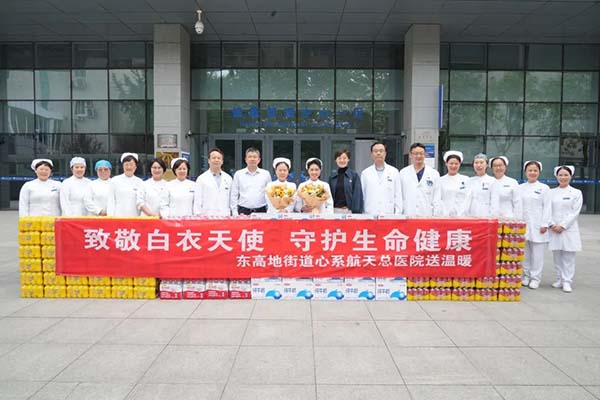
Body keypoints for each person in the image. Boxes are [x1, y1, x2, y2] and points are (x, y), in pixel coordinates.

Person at [544, 165, 582, 293]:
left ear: (571, 176)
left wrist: (563, 225)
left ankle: (567, 281)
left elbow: (575, 212)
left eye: (566, 175)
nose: (563, 177)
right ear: (556, 176)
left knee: (568, 256)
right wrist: (552, 224)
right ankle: (559, 279)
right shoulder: (551, 192)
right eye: (560, 175)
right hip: (554, 228)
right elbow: (547, 210)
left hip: (568, 229)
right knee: (557, 256)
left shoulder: (576, 193)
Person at [519, 160, 550, 289]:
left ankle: (535, 278)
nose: (532, 173)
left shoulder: (544, 188)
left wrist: (545, 224)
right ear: (525, 172)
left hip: (538, 225)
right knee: (525, 253)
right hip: (524, 224)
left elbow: (547, 207)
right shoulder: (520, 188)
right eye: (530, 170)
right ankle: (526, 276)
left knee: (537, 255)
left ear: (539, 172)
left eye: (535, 170)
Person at [399, 142, 442, 217]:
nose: (418, 156)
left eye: (421, 153)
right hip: (408, 214)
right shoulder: (403, 173)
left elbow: (437, 198)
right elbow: (399, 196)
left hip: (427, 215)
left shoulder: (434, 173)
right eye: (415, 153)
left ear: (425, 154)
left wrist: (436, 215)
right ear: (410, 155)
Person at [360, 142, 402, 215]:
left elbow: (398, 195)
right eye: (375, 151)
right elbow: (362, 196)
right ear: (372, 154)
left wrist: (398, 214)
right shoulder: (365, 173)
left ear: (385, 153)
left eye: (381, 151)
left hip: (388, 215)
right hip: (370, 214)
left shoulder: (394, 172)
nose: (378, 153)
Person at [230, 147, 271, 215]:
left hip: (261, 210)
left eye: (255, 157)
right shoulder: (238, 174)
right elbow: (234, 194)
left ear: (259, 160)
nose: (252, 159)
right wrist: (234, 212)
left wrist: (269, 210)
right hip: (243, 211)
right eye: (250, 157)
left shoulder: (266, 174)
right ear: (246, 159)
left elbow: (269, 194)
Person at [194, 148, 233, 216]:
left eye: (219, 158)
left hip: (224, 216)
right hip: (207, 216)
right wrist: (198, 215)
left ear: (222, 161)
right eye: (214, 158)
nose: (216, 160)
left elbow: (231, 200)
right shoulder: (201, 179)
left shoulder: (228, 178)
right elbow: (197, 200)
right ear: (209, 160)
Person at [106, 152, 144, 217]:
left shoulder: (140, 182)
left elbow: (141, 203)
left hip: (135, 218)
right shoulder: (115, 180)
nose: (129, 167)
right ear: (123, 166)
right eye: (126, 164)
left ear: (135, 167)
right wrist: (110, 217)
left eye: (131, 164)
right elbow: (111, 201)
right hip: (118, 217)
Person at [327, 149, 363, 214]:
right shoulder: (332, 177)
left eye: (344, 158)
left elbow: (357, 195)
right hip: (334, 211)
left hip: (349, 211)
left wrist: (356, 211)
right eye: (339, 158)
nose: (342, 160)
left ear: (348, 159)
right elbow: (328, 195)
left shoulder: (354, 175)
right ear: (336, 160)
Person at [439, 150, 470, 217]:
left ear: (459, 164)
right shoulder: (440, 180)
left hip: (462, 216)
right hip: (445, 216)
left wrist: (462, 213)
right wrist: (445, 213)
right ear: (446, 164)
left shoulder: (466, 180)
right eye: (451, 163)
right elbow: (439, 200)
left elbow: (468, 199)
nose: (453, 166)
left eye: (456, 164)